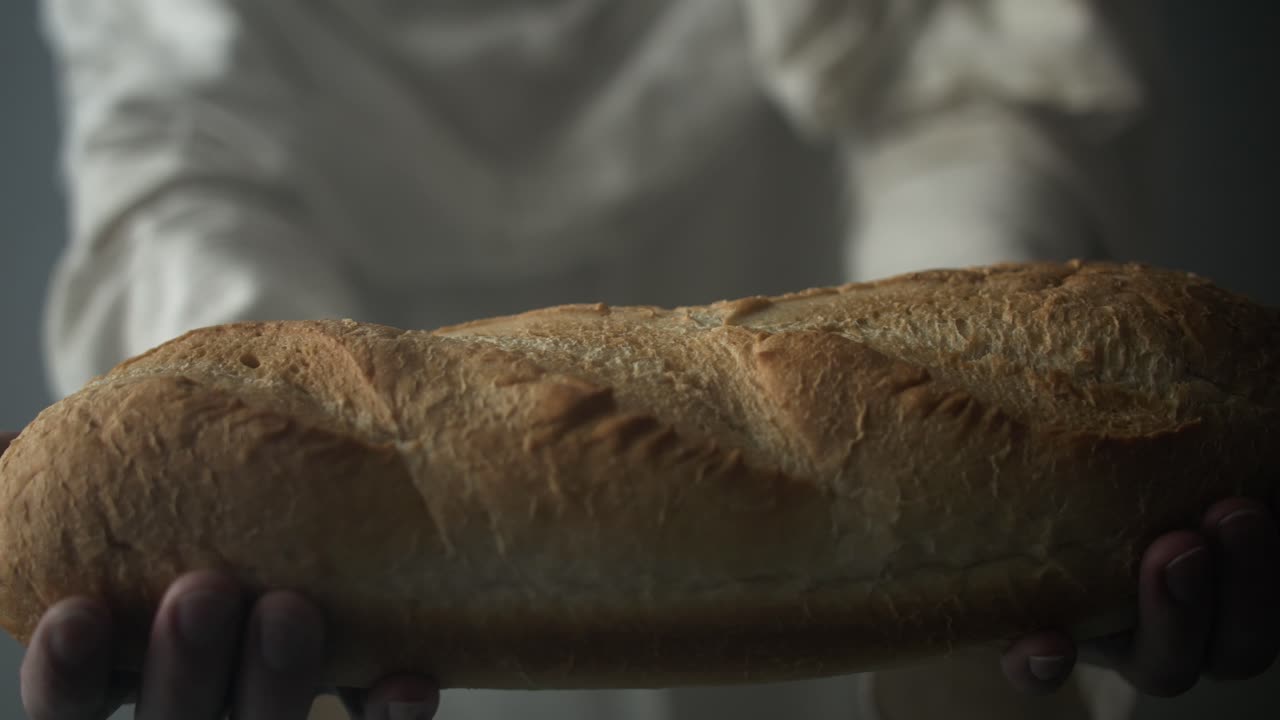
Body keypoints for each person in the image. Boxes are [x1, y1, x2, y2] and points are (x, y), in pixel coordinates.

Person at [10, 0, 1278, 718]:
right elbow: (184, 168)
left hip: (870, 663)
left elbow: (967, 78)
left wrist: (1020, 488)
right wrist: (258, 512)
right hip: (408, 661)